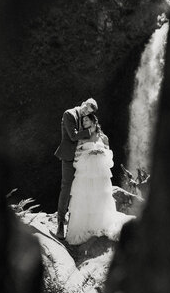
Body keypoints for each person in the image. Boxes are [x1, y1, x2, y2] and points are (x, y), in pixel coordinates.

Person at [66, 113, 133, 245]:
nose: (84, 122)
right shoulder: (82, 137)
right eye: (83, 120)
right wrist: (89, 153)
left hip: (100, 172)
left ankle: (100, 224)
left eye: (86, 120)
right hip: (86, 172)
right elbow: (77, 155)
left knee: (101, 196)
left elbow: (109, 154)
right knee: (86, 196)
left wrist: (101, 152)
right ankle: (87, 226)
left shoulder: (104, 137)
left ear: (93, 121)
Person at [54, 98, 98, 239]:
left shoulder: (86, 119)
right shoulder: (69, 114)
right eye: (86, 108)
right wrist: (89, 132)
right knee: (66, 187)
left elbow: (95, 133)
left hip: (83, 158)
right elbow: (73, 136)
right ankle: (60, 222)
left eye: (89, 112)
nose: (86, 112)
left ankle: (75, 222)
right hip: (69, 157)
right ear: (83, 102)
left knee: (80, 188)